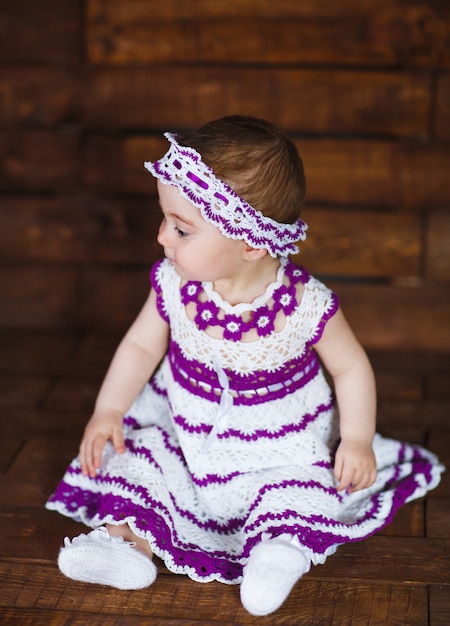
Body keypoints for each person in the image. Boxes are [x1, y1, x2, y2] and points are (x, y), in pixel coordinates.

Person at [46, 115, 444, 616]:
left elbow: (351, 367)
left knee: (297, 492)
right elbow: (139, 347)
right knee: (143, 460)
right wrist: (108, 409)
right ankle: (124, 544)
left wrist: (358, 438)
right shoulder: (173, 283)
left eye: (181, 228)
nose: (162, 237)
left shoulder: (304, 305)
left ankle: (279, 552)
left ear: (251, 243)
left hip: (278, 445)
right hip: (188, 432)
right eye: (166, 219)